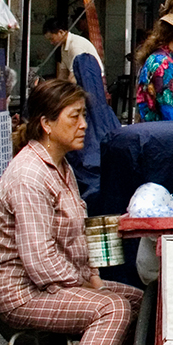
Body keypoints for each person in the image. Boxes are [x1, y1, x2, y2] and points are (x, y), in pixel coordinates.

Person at [0, 79, 143, 345]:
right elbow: (39, 259)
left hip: (57, 285)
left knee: (140, 303)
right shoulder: (29, 175)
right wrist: (92, 291)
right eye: (74, 117)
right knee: (112, 308)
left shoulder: (60, 168)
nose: (83, 126)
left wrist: (93, 277)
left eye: (83, 116)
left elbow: (74, 241)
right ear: (46, 123)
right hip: (23, 294)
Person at [44, 18, 119, 210]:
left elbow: (72, 78)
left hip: (89, 94)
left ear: (60, 32)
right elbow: (62, 76)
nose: (51, 42)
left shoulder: (78, 48)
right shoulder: (64, 49)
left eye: (51, 37)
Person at [44, 18, 101, 87]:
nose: (51, 42)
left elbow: (73, 77)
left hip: (93, 82)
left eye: (52, 38)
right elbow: (63, 74)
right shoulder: (63, 47)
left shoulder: (75, 45)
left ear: (61, 32)